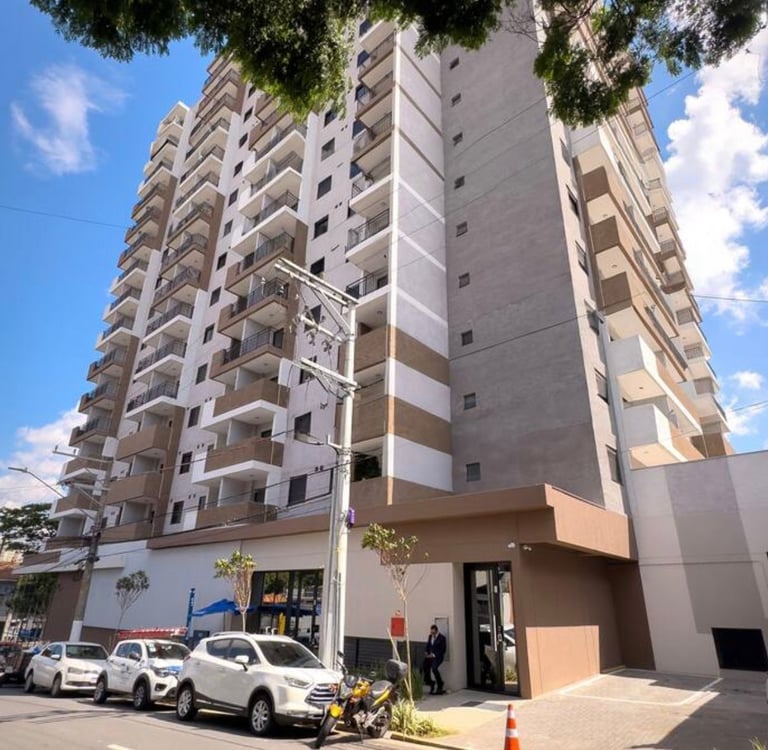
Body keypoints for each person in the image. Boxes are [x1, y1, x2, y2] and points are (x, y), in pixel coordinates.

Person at [422, 624, 447, 695]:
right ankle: (430, 682)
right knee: (424, 667)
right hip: (429, 657)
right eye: (431, 632)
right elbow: (428, 645)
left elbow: (443, 649)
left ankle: (440, 684)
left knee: (434, 668)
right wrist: (426, 652)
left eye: (433, 632)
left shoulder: (442, 638)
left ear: (436, 631)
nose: (432, 634)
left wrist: (433, 655)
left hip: (438, 657)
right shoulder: (430, 637)